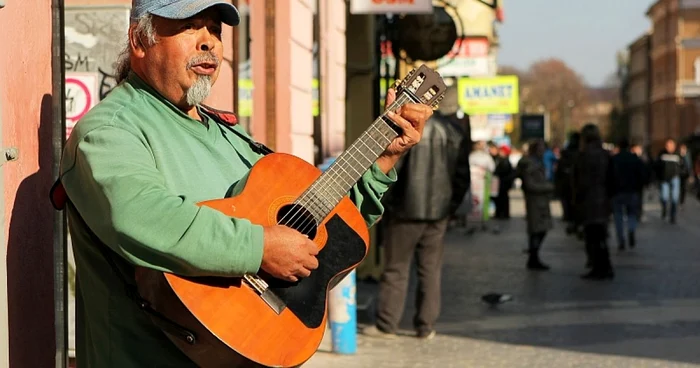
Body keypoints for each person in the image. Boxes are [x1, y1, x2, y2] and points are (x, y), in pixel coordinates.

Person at [51, 1, 433, 366]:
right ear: (139, 40)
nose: (208, 42)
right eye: (188, 26)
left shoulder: (227, 133)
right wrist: (259, 247)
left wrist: (382, 159)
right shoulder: (110, 130)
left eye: (214, 30)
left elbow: (320, 224)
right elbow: (141, 214)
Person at [363, 107, 470, 340]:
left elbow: (392, 166)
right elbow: (463, 177)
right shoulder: (454, 131)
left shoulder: (408, 126)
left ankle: (387, 324)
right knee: (430, 270)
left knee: (396, 269)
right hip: (438, 213)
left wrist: (383, 204)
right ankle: (426, 326)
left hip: (404, 211)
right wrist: (449, 208)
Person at [574, 124, 614, 280]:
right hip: (603, 199)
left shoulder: (584, 155)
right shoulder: (604, 154)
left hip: (590, 200)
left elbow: (581, 181)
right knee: (601, 236)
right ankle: (606, 266)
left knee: (592, 236)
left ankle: (598, 267)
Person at [516, 139, 554, 271]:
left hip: (541, 200)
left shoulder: (539, 162)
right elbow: (530, 184)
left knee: (541, 229)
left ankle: (534, 256)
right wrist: (547, 187)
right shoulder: (530, 164)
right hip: (535, 201)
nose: (543, 151)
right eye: (540, 148)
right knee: (536, 230)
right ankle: (533, 257)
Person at [609, 138, 648, 250]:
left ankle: (621, 239)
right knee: (632, 213)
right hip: (632, 190)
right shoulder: (635, 159)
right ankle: (631, 229)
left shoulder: (614, 159)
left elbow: (609, 176)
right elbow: (642, 174)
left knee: (618, 216)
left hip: (617, 191)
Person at [655, 138, 683, 223]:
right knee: (664, 197)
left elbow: (683, 165)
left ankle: (672, 215)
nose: (669, 147)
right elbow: (656, 165)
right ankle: (664, 209)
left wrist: (681, 173)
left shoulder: (677, 154)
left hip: (675, 178)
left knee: (675, 198)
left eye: (671, 145)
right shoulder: (662, 154)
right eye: (667, 145)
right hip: (664, 179)